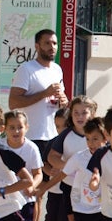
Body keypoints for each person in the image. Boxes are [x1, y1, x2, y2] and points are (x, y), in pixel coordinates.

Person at [9, 29, 68, 160]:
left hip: (54, 136)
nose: (52, 47)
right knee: (34, 178)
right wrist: (44, 93)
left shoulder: (57, 70)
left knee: (50, 179)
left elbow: (59, 102)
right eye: (47, 43)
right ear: (37, 46)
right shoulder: (26, 69)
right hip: (32, 136)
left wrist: (63, 101)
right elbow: (13, 103)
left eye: (54, 43)